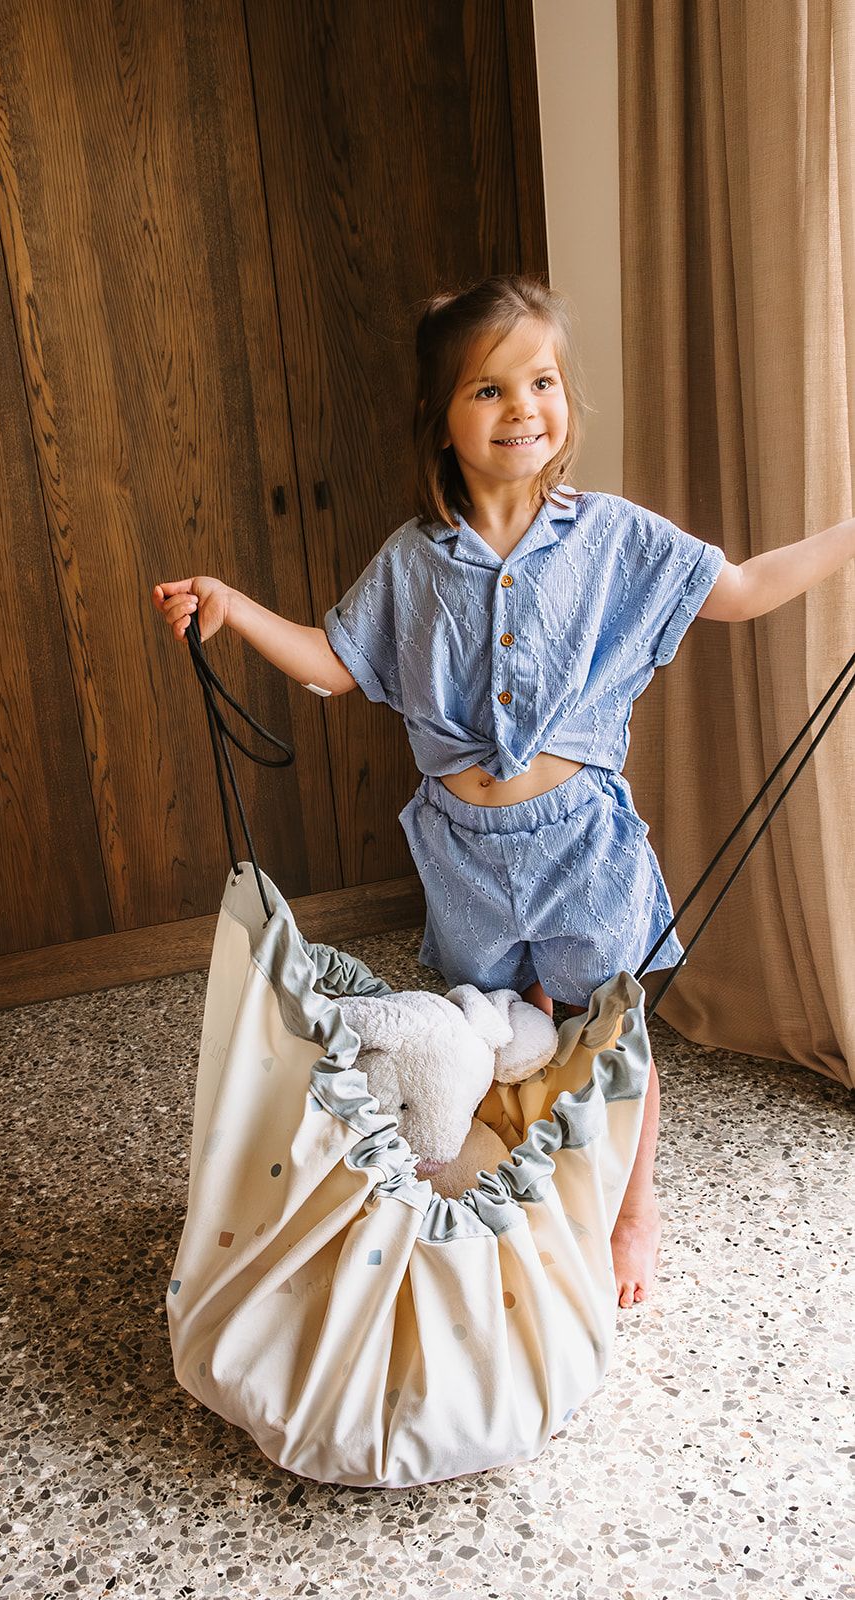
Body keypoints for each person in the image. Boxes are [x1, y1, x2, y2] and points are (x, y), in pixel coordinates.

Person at [153, 272, 854, 1308]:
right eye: (487, 389)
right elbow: (333, 663)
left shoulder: (610, 535)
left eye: (540, 383)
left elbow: (742, 589)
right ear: (439, 418)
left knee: (606, 1031)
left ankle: (633, 1208)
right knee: (492, 1034)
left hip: (579, 842)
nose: (521, 407)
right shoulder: (411, 561)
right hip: (461, 848)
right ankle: (514, 1190)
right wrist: (232, 607)